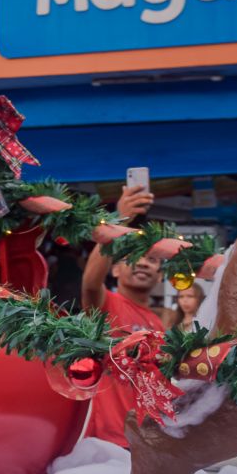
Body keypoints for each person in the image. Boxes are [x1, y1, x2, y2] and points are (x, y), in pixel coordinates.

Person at [80, 183, 158, 448]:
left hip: (146, 444)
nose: (144, 263)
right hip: (107, 443)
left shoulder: (157, 323)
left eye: (153, 259)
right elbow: (90, 283)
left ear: (160, 275)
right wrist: (119, 219)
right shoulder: (107, 304)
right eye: (134, 257)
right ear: (115, 270)